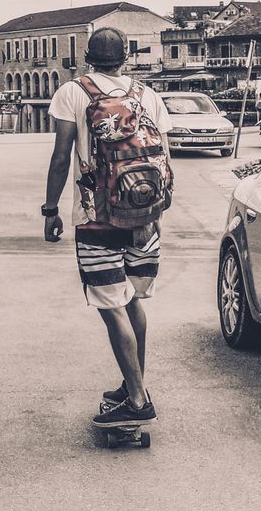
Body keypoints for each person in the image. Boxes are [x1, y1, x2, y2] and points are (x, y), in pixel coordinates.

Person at [42, 27, 174, 430]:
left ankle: (136, 399)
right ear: (125, 58)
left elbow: (61, 157)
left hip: (95, 216)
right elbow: (164, 157)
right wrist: (154, 213)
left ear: (88, 56)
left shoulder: (72, 92)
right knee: (133, 299)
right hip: (144, 213)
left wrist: (50, 209)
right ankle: (134, 384)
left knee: (111, 304)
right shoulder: (147, 94)